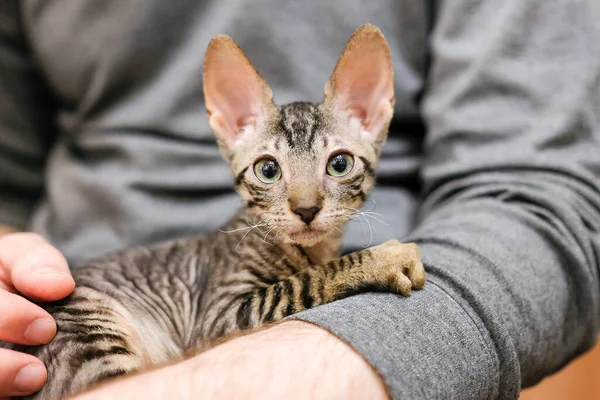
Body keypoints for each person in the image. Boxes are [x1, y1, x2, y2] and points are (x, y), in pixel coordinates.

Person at [1, 0, 599, 398]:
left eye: (337, 165)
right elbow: (227, 322)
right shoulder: (241, 259)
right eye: (269, 171)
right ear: (231, 127)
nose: (307, 201)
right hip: (70, 320)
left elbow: (540, 191)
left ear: (371, 115)